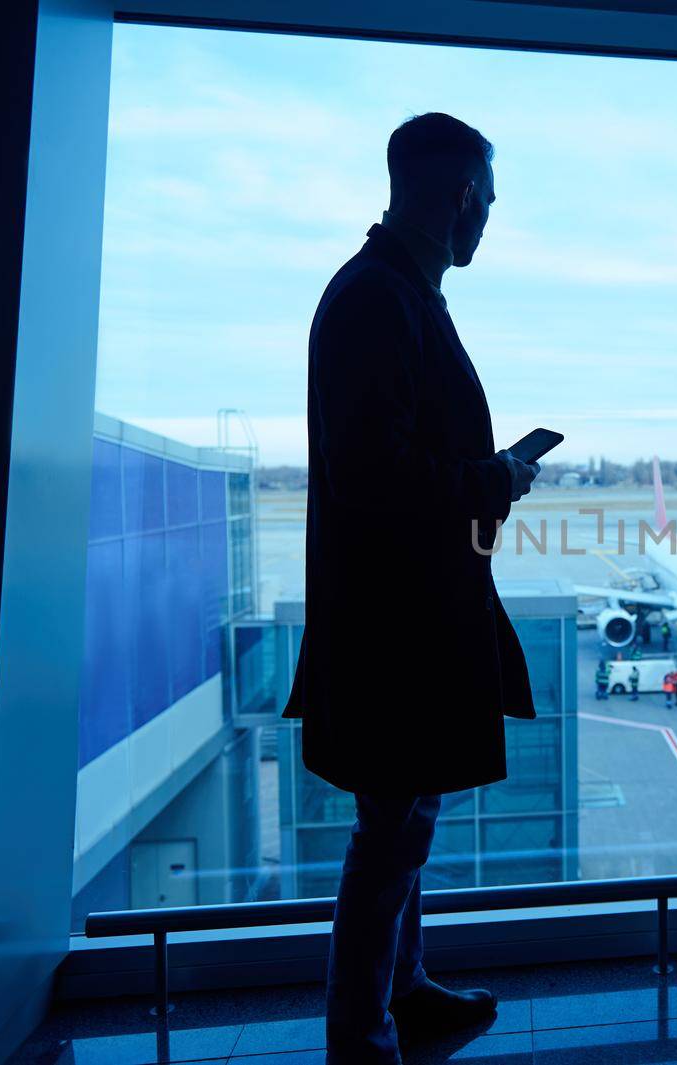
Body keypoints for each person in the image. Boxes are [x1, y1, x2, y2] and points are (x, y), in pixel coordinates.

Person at [281, 112, 541, 1065]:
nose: (489, 219)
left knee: (402, 824)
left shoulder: (394, 293)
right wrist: (496, 476)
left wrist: (488, 471)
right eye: (488, 200)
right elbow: (374, 473)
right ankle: (363, 1035)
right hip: (395, 628)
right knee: (389, 834)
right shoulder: (378, 302)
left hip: (405, 617)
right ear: (462, 198)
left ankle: (404, 991)